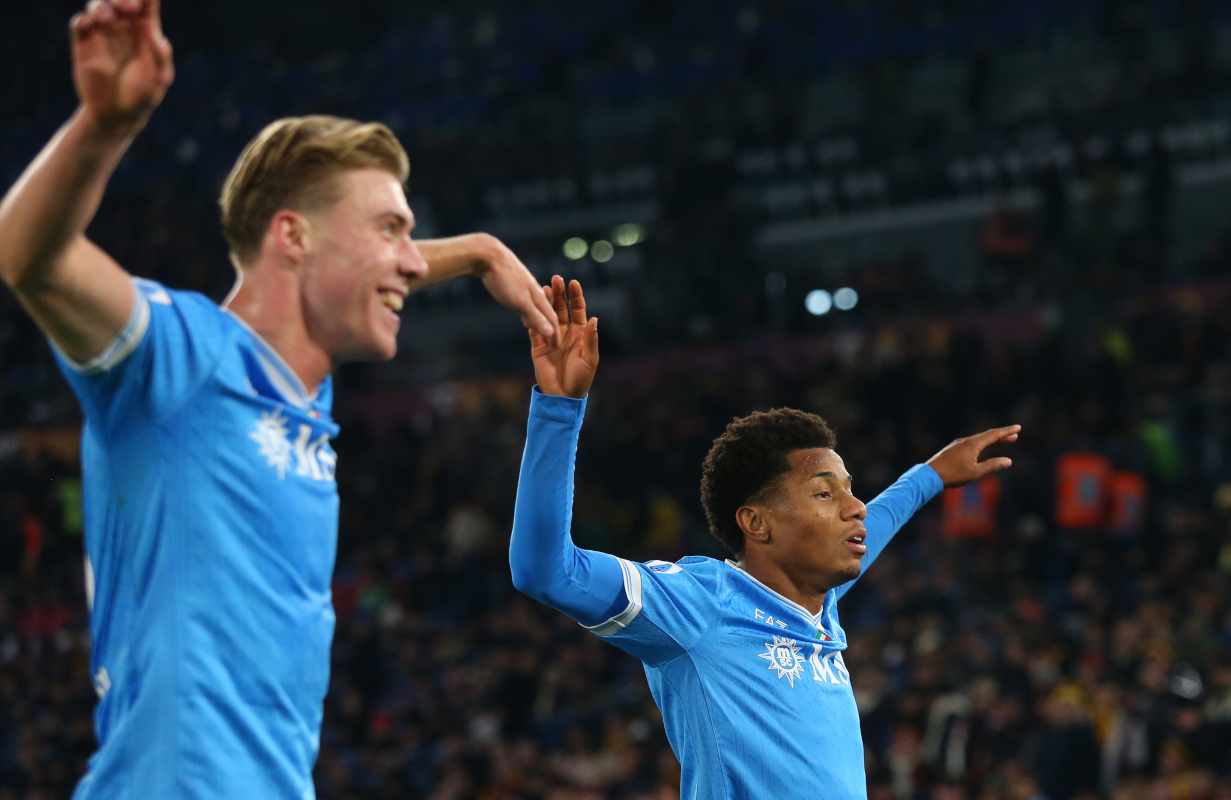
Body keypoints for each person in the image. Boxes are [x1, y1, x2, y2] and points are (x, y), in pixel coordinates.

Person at [0, 1, 560, 797]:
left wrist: (475, 253)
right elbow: (30, 257)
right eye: (390, 229)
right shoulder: (181, 359)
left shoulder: (301, 389)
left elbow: (351, 276)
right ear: (292, 237)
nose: (410, 260)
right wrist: (104, 125)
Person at [510, 277, 1020, 800]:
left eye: (850, 490)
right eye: (824, 493)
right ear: (757, 524)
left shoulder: (816, 605)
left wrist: (930, 475)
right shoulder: (700, 604)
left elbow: (877, 523)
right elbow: (547, 571)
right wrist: (558, 410)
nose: (855, 507)